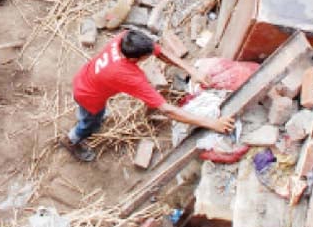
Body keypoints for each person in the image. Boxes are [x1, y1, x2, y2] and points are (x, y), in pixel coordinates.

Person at [61, 29, 236, 162]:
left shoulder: (125, 38)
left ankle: (89, 120)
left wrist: (192, 70)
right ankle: (72, 140)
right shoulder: (129, 76)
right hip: (89, 97)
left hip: (85, 79)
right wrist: (213, 123)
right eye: (147, 56)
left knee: (94, 115)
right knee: (90, 122)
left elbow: (160, 53)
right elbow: (167, 110)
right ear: (134, 59)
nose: (151, 55)